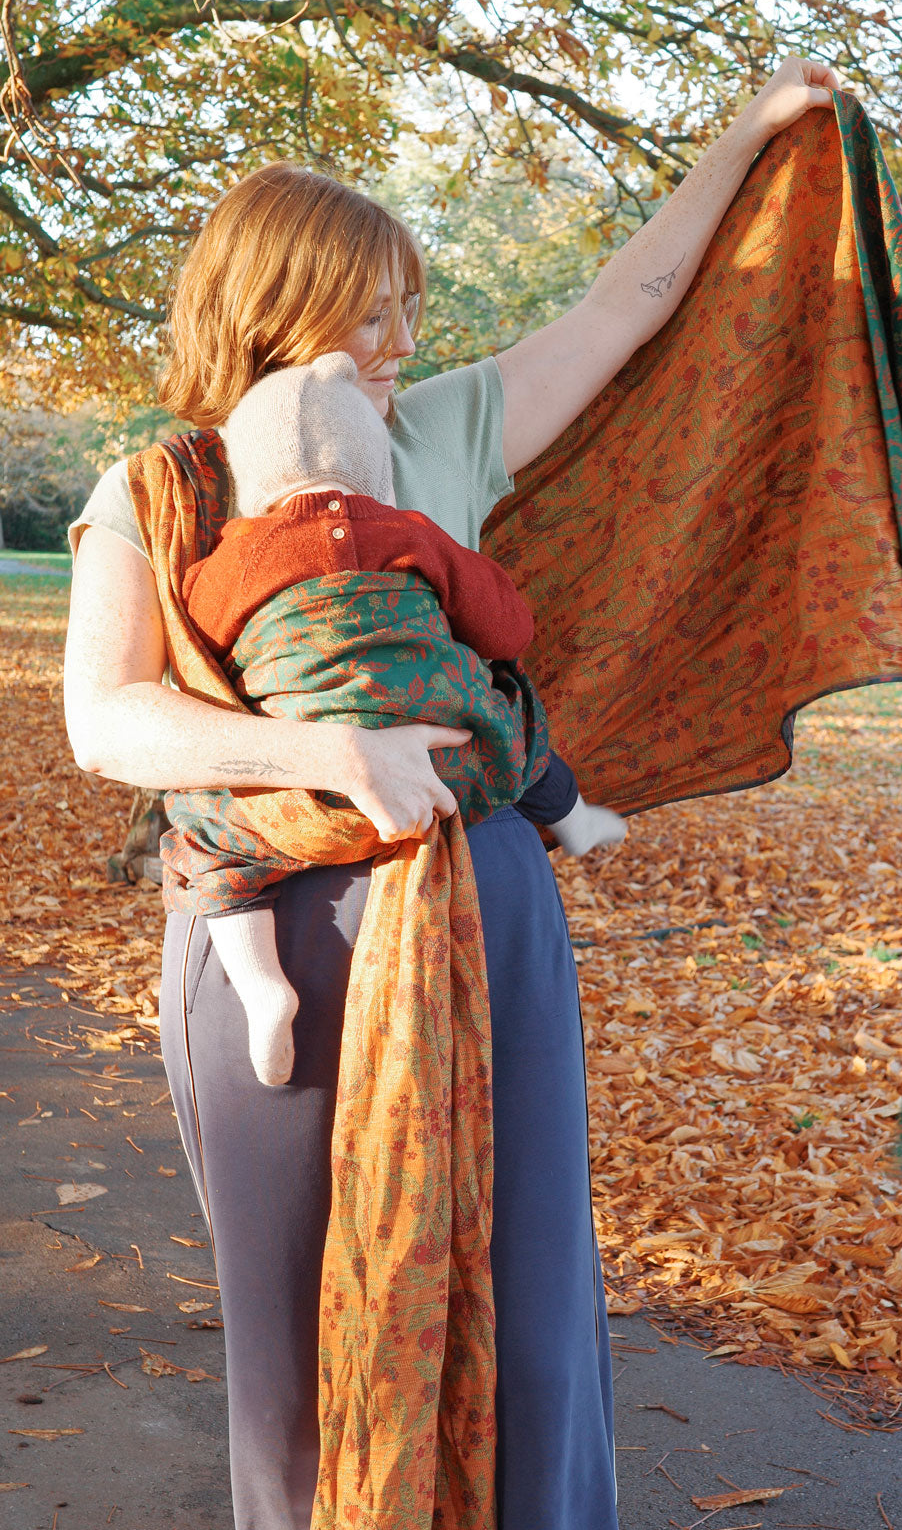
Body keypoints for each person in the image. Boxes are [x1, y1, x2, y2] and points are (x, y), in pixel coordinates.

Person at [62, 55, 839, 1530]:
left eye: (410, 308)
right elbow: (106, 720)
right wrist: (331, 748)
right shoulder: (161, 487)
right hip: (267, 930)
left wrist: (753, 126)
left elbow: (633, 300)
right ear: (274, 305)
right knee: (296, 1352)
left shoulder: (455, 433)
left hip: (482, 907)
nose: (405, 345)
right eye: (374, 313)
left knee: (534, 1319)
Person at [170, 348, 626, 1086]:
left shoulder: (228, 565)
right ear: (376, 464)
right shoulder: (414, 534)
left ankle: (260, 985)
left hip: (308, 796)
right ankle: (572, 816)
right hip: (457, 767)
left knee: (201, 828)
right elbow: (506, 626)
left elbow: (200, 655)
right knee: (519, 719)